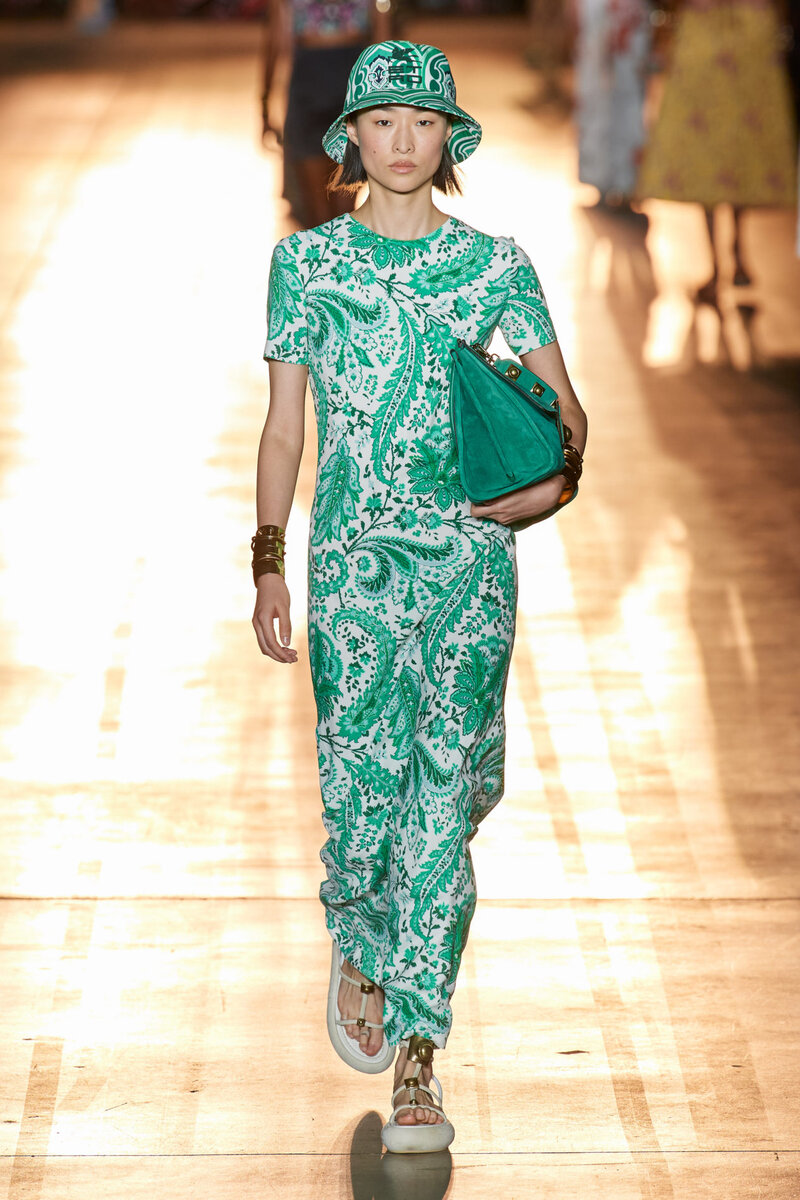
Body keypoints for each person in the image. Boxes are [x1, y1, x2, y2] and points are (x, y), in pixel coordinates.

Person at [251, 39, 587, 1153]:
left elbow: (565, 415)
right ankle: (359, 930)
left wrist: (549, 484)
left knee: (442, 795)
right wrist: (267, 558)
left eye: (423, 121)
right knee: (360, 789)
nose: (402, 142)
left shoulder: (496, 265)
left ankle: (419, 1055)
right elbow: (286, 429)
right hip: (350, 570)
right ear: (350, 134)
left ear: (449, 138)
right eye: (382, 121)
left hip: (466, 571)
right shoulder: (305, 265)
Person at [636, 0, 797, 303]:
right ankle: (735, 252)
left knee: (711, 150)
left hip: (714, 28)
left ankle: (720, 261)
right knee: (733, 144)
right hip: (744, 28)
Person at [261, 0, 393, 228]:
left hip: (316, 84)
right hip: (348, 83)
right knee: (342, 212)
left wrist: (264, 103)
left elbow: (279, 41)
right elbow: (383, 40)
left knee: (320, 214)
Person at [575, 0, 651, 211]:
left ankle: (628, 184)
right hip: (597, 33)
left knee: (628, 107)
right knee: (597, 108)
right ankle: (600, 180)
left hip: (627, 35)